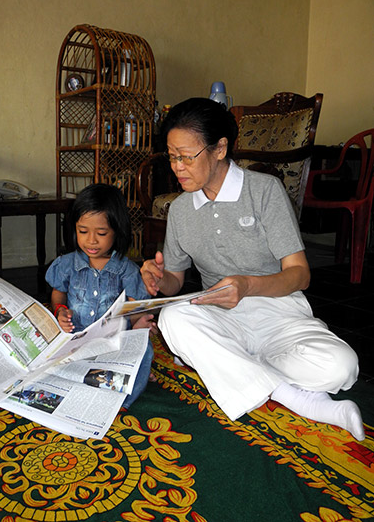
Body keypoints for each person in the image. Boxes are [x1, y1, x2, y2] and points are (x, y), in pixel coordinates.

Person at [141, 97, 365, 441]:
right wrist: (159, 280)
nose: (177, 167)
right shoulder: (181, 210)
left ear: (219, 149)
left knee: (342, 366)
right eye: (172, 156)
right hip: (221, 314)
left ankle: (228, 365)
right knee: (174, 318)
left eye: (187, 156)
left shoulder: (264, 191)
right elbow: (174, 281)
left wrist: (247, 286)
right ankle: (296, 398)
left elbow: (300, 274)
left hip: (278, 310)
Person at [46, 183, 156, 410]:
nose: (91, 241)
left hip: (113, 342)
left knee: (145, 351)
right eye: (83, 231)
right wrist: (60, 311)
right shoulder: (66, 265)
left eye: (102, 233)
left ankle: (121, 402)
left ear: (117, 230)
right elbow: (58, 296)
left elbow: (135, 309)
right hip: (76, 340)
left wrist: (140, 324)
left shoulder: (126, 270)